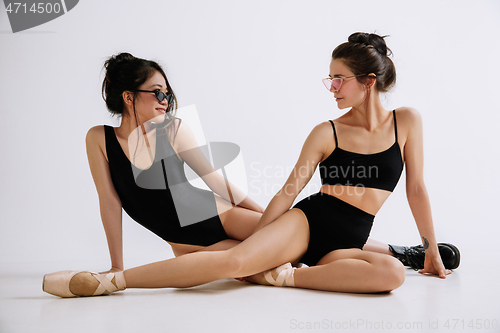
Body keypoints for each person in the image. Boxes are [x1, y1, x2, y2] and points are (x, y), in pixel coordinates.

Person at [43, 38, 459, 297]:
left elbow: (417, 188)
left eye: (339, 79)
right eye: (156, 93)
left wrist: (430, 242)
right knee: (237, 265)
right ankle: (110, 283)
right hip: (292, 222)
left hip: (263, 220)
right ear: (127, 96)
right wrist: (116, 263)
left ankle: (400, 253)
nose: (166, 100)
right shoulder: (326, 131)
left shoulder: (407, 120)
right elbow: (108, 200)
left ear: (367, 81)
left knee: (390, 277)